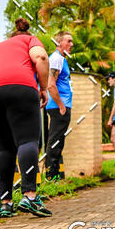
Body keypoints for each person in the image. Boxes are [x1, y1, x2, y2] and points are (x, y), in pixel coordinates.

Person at [0, 18, 51, 217]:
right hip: (20, 86)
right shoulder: (30, 41)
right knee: (27, 140)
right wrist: (44, 88)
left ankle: (6, 203)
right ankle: (29, 196)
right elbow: (41, 58)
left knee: (4, 147)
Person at [46, 31, 74, 179]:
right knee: (55, 140)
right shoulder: (56, 59)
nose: (71, 45)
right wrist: (61, 105)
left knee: (59, 140)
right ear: (59, 42)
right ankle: (51, 175)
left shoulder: (61, 59)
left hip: (61, 105)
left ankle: (55, 174)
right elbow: (51, 85)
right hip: (58, 106)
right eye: (68, 41)